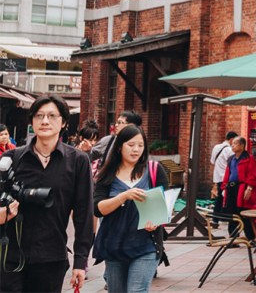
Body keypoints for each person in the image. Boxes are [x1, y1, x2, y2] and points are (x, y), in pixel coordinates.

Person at [0, 94, 93, 293]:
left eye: (52, 116)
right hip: (10, 258)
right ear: (32, 121)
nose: (45, 121)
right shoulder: (12, 159)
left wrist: (80, 261)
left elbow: (84, 213)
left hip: (51, 258)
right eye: (39, 115)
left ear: (64, 122)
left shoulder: (78, 161)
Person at [92, 124, 169, 293]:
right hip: (114, 245)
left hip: (146, 244)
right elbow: (98, 209)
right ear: (120, 147)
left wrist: (156, 222)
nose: (136, 150)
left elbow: (164, 205)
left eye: (140, 145)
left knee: (137, 290)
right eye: (131, 145)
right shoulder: (107, 173)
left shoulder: (155, 170)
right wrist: (123, 196)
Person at [222, 135, 256, 243]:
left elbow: (253, 174)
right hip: (231, 188)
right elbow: (227, 174)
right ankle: (233, 237)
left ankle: (251, 237)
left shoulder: (249, 158)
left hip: (242, 188)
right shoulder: (231, 159)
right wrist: (224, 187)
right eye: (232, 144)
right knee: (232, 213)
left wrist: (249, 188)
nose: (232, 146)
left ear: (242, 145)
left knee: (244, 213)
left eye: (235, 144)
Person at [210, 130, 237, 223]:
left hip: (217, 176)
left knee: (221, 197)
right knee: (226, 198)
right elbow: (233, 164)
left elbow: (212, 161)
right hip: (226, 177)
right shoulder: (229, 150)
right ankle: (224, 217)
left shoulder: (216, 147)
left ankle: (216, 218)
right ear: (231, 139)